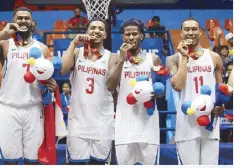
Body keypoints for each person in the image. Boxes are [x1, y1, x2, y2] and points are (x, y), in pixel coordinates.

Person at [0, 7, 57, 165]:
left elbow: (46, 78)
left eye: (27, 18)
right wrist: (3, 33)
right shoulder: (5, 45)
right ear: (13, 21)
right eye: (20, 18)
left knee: (32, 161)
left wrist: (51, 85)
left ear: (32, 22)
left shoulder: (43, 48)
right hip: (8, 108)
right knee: (10, 161)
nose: (23, 20)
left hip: (33, 108)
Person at [167, 18, 223, 165]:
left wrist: (220, 106)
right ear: (181, 33)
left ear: (200, 32)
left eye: (194, 29)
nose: (190, 32)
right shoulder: (174, 59)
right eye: (187, 29)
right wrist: (185, 56)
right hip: (186, 125)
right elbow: (178, 86)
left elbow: (220, 89)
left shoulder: (214, 57)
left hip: (210, 124)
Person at [106, 19, 162, 165]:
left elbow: (161, 93)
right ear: (123, 37)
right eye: (127, 34)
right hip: (124, 125)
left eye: (135, 34)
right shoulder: (115, 59)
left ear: (141, 36)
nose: (131, 37)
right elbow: (110, 86)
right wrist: (121, 60)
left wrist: (154, 92)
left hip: (148, 124)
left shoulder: (153, 59)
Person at [61, 17, 114, 165]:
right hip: (78, 123)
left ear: (105, 35)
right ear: (87, 31)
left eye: (100, 29)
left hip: (102, 123)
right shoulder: (77, 52)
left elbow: (112, 88)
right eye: (93, 28)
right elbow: (64, 69)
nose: (96, 31)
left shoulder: (112, 57)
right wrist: (73, 43)